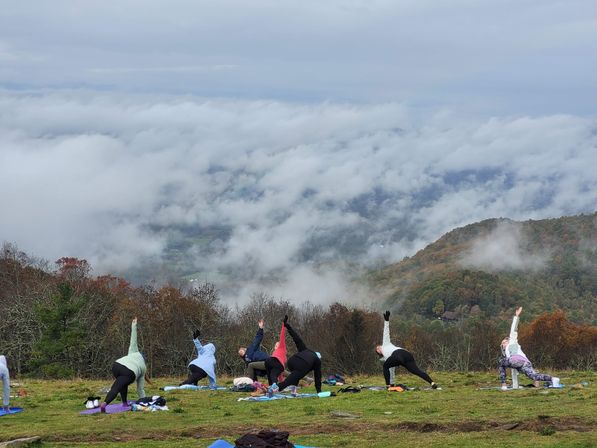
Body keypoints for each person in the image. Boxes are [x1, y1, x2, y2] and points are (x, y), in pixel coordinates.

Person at [499, 307, 557, 389]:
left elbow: (513, 330)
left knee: (501, 362)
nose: (503, 344)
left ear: (508, 341)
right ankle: (552, 379)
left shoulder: (512, 342)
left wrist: (516, 316)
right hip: (525, 363)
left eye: (504, 342)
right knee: (533, 376)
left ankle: (503, 384)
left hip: (517, 360)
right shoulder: (508, 353)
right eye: (502, 344)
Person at [376, 310, 437, 389]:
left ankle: (432, 383)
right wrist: (393, 383)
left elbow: (386, 333)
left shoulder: (386, 344)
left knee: (385, 366)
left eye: (378, 346)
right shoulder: (386, 355)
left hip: (399, 354)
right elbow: (391, 371)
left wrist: (386, 320)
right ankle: (432, 382)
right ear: (378, 352)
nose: (378, 347)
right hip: (405, 355)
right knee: (416, 371)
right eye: (377, 348)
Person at [100, 318, 148, 412]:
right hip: (129, 372)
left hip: (116, 365)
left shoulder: (134, 352)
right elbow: (140, 389)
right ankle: (104, 404)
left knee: (121, 384)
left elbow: (133, 340)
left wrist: (133, 326)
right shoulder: (143, 368)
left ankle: (124, 403)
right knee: (117, 387)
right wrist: (144, 401)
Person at [268, 316, 322, 396]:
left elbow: (297, 339)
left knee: (295, 375)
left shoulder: (305, 350)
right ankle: (275, 388)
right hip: (302, 365)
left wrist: (288, 326)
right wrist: (319, 391)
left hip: (292, 361)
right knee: (288, 381)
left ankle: (293, 390)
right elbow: (318, 377)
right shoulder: (317, 361)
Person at [264, 321, 287, 386]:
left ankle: (273, 385)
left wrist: (283, 325)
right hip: (277, 366)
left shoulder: (282, 348)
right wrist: (282, 383)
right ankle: (273, 386)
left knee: (268, 361)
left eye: (278, 345)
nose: (277, 346)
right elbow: (280, 373)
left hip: (276, 362)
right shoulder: (275, 353)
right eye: (276, 345)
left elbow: (282, 336)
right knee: (272, 374)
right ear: (274, 347)